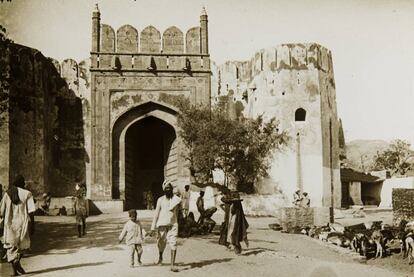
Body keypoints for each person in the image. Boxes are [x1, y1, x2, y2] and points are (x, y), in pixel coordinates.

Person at [0, 175, 35, 276]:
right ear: (22, 183)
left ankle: (15, 270)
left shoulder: (7, 194)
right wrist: (33, 224)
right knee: (22, 245)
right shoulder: (27, 193)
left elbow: (1, 211)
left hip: (10, 224)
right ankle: (16, 263)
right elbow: (31, 211)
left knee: (11, 247)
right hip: (22, 223)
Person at [150, 180, 181, 272]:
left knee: (173, 243)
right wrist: (152, 228)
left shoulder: (176, 200)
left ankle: (172, 265)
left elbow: (178, 213)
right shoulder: (160, 200)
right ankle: (160, 257)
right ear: (164, 190)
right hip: (162, 226)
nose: (168, 189)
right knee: (160, 244)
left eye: (170, 188)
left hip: (173, 225)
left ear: (172, 189)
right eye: (167, 188)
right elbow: (156, 214)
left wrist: (180, 224)